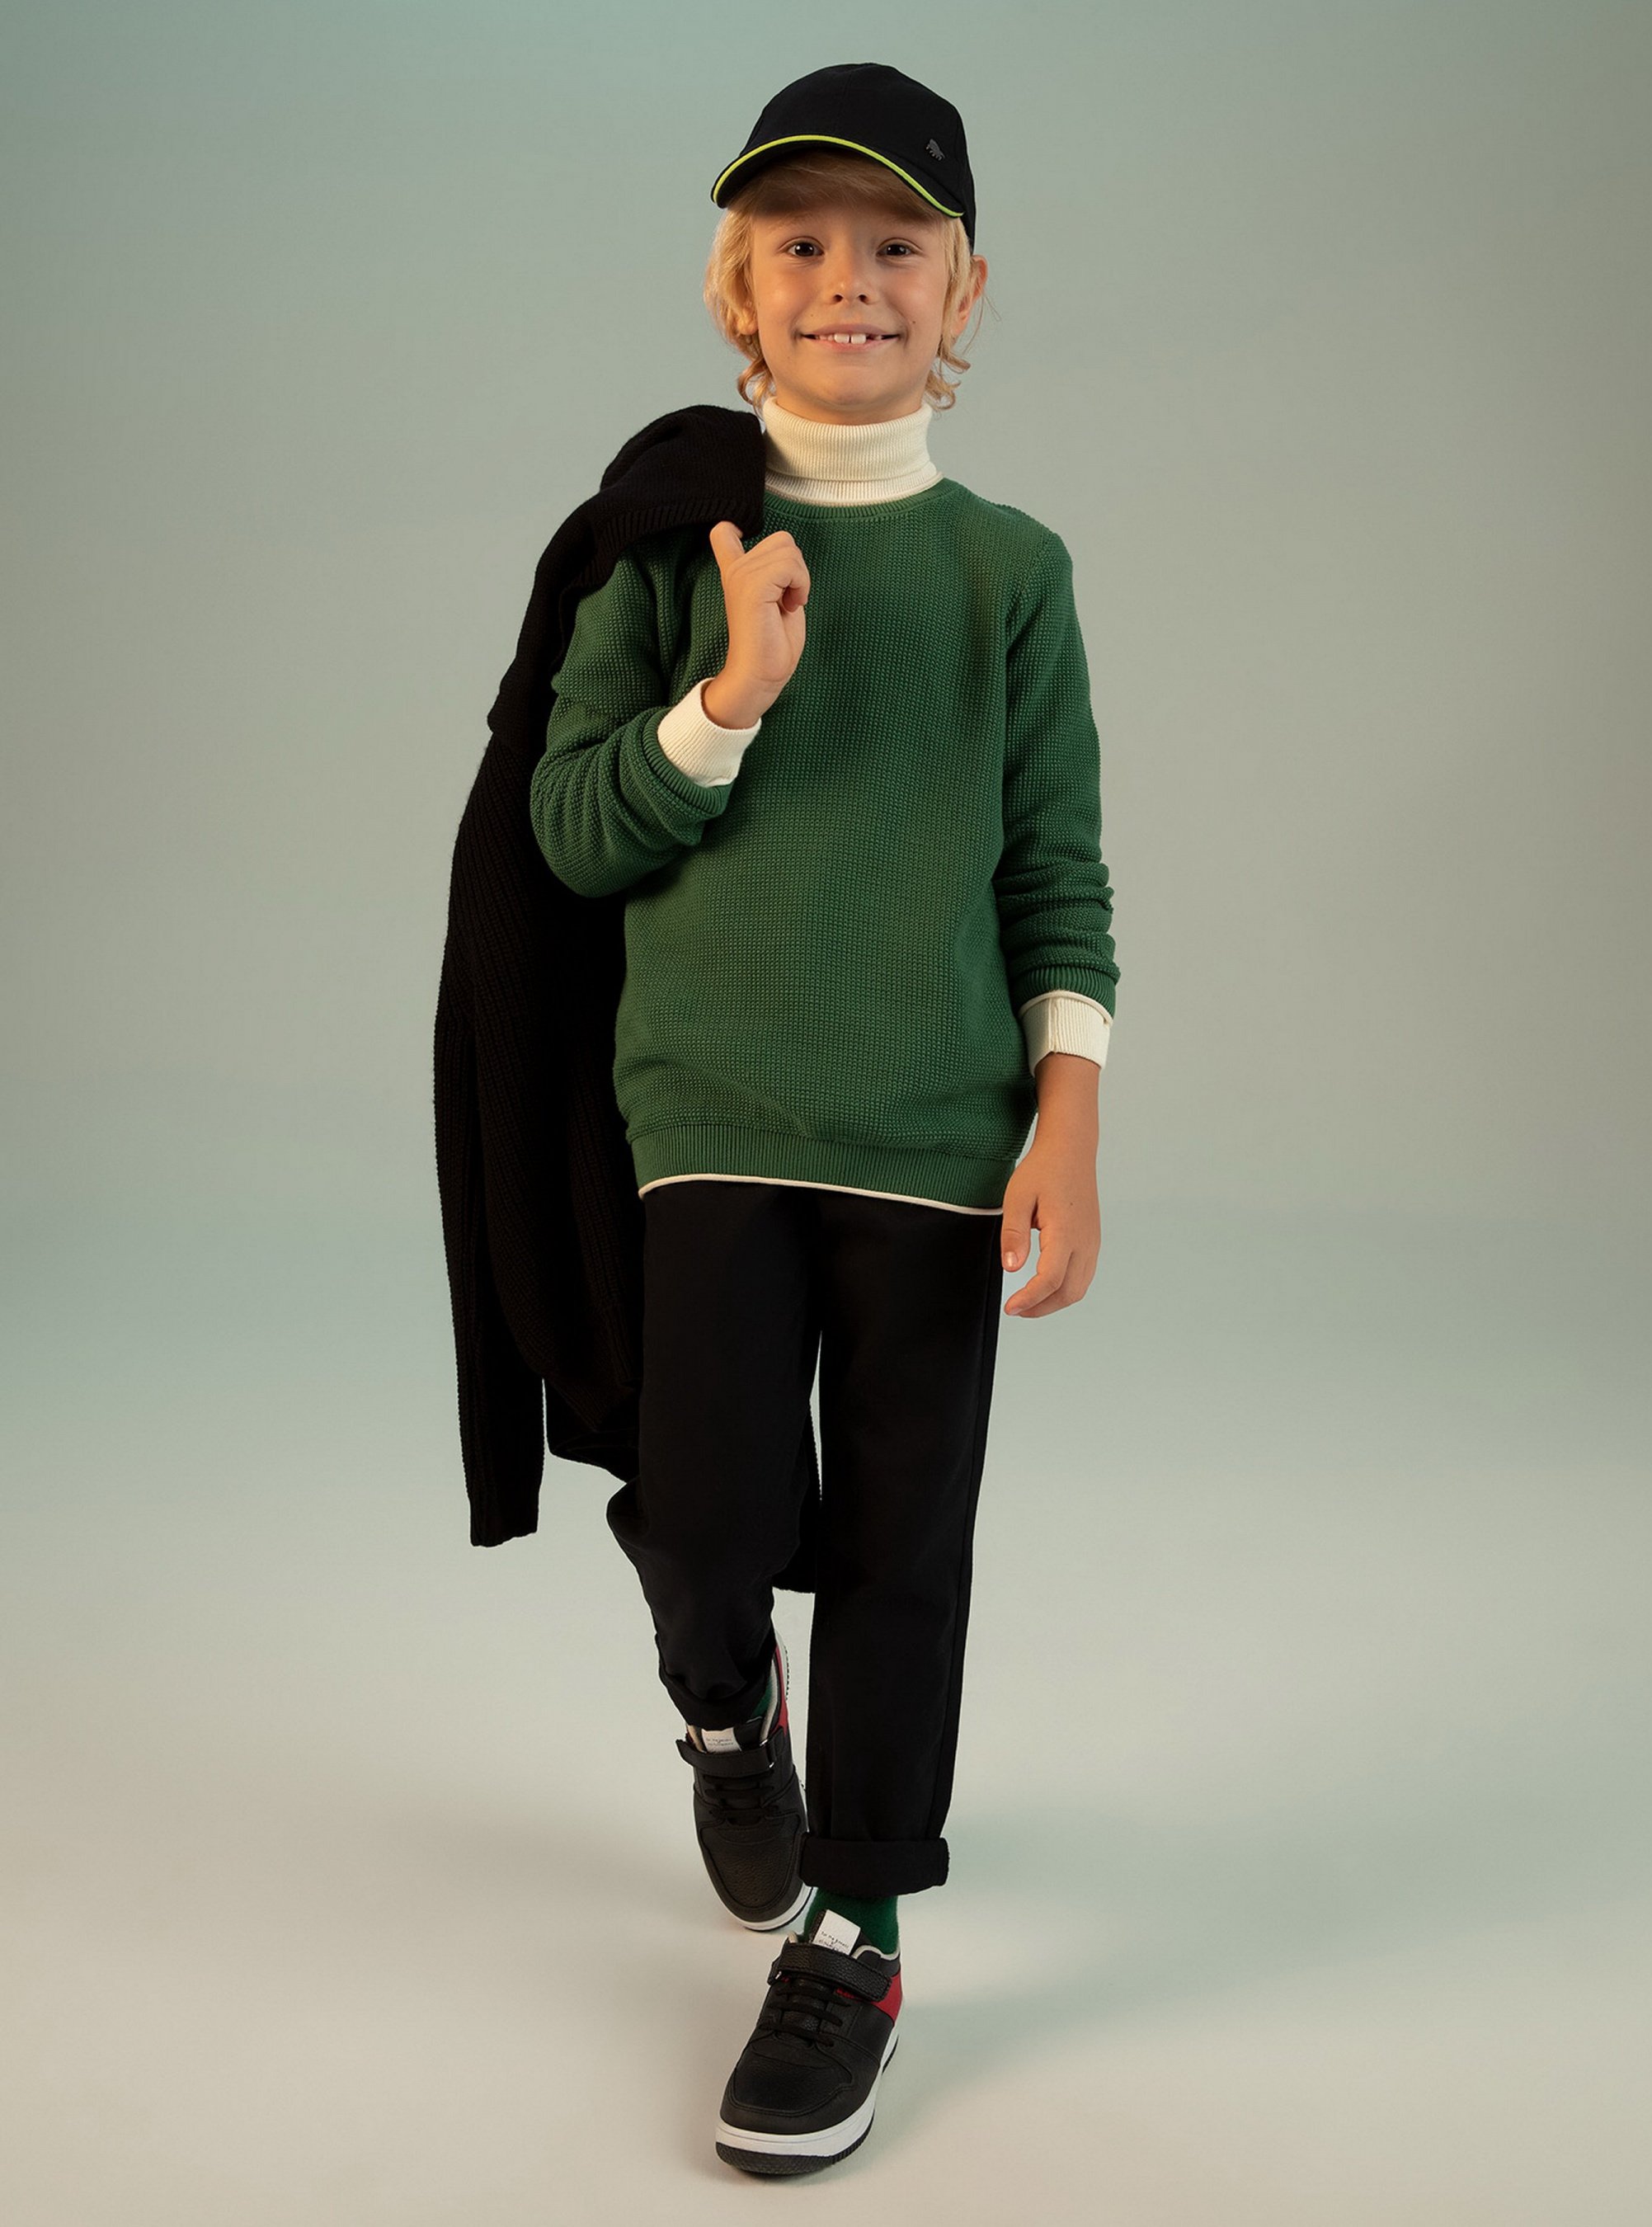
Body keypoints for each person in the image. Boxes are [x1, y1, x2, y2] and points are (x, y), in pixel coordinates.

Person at [529, 62, 1119, 2176]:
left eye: (893, 242)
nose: (845, 277)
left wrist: (1064, 1114)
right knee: (702, 1516)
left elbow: (1054, 867)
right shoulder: (660, 552)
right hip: (705, 1117)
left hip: (936, 1140)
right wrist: (730, 696)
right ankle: (725, 1712)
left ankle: (853, 1934)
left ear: (963, 289)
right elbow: (572, 831)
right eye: (798, 241)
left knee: (898, 1544)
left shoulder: (1007, 570)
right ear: (737, 289)